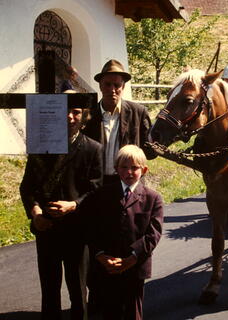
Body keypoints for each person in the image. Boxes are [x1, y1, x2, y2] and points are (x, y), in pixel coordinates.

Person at [19, 99, 103, 320]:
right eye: (65, 112)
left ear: (84, 118)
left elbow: (97, 189)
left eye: (76, 112)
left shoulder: (93, 149)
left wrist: (74, 205)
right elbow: (27, 186)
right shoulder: (41, 148)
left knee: (78, 289)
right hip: (46, 229)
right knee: (49, 289)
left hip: (77, 231)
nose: (69, 117)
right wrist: (35, 212)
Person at [82, 145, 163, 320]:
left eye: (134, 167)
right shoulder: (103, 194)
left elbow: (153, 234)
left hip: (135, 265)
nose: (129, 172)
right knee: (110, 310)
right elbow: (93, 227)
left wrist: (132, 257)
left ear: (144, 169)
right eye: (124, 167)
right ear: (116, 169)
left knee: (133, 311)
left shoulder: (153, 198)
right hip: (107, 264)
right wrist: (100, 255)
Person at [82, 59, 156, 186]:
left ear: (123, 87)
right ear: (100, 86)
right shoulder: (88, 114)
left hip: (129, 184)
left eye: (117, 85)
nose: (112, 90)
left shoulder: (138, 112)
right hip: (96, 184)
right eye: (107, 84)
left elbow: (150, 152)